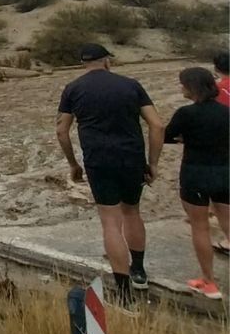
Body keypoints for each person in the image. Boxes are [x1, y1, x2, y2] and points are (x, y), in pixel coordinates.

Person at [55, 44, 164, 306]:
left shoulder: (73, 89)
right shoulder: (131, 85)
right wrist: (153, 163)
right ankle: (139, 272)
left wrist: (73, 164)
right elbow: (157, 125)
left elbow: (61, 130)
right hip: (131, 158)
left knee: (110, 223)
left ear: (84, 63)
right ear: (106, 61)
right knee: (132, 212)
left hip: (99, 160)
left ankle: (124, 295)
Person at [163, 67, 229, 299]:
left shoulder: (186, 114)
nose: (180, 88)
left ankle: (209, 282)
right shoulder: (226, 112)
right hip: (224, 173)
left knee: (199, 227)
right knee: (228, 223)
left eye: (183, 84)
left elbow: (165, 135)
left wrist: (184, 138)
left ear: (192, 87)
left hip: (195, 174)